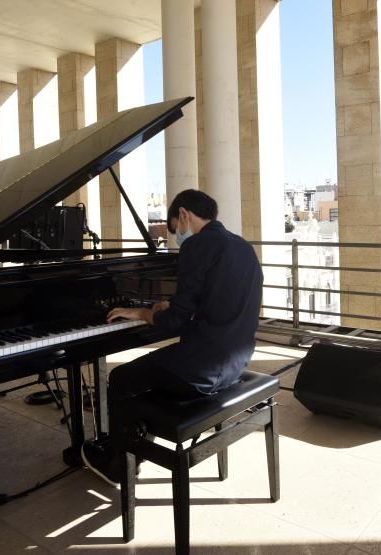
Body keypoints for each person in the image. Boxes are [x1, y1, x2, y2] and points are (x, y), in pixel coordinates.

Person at [81, 189, 264, 486]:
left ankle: (119, 463)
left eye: (175, 229)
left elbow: (174, 323)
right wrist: (169, 308)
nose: (177, 236)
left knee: (122, 379)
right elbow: (216, 305)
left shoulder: (198, 246)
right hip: (236, 362)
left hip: (204, 368)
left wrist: (141, 313)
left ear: (183, 215)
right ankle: (135, 446)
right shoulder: (241, 246)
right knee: (150, 374)